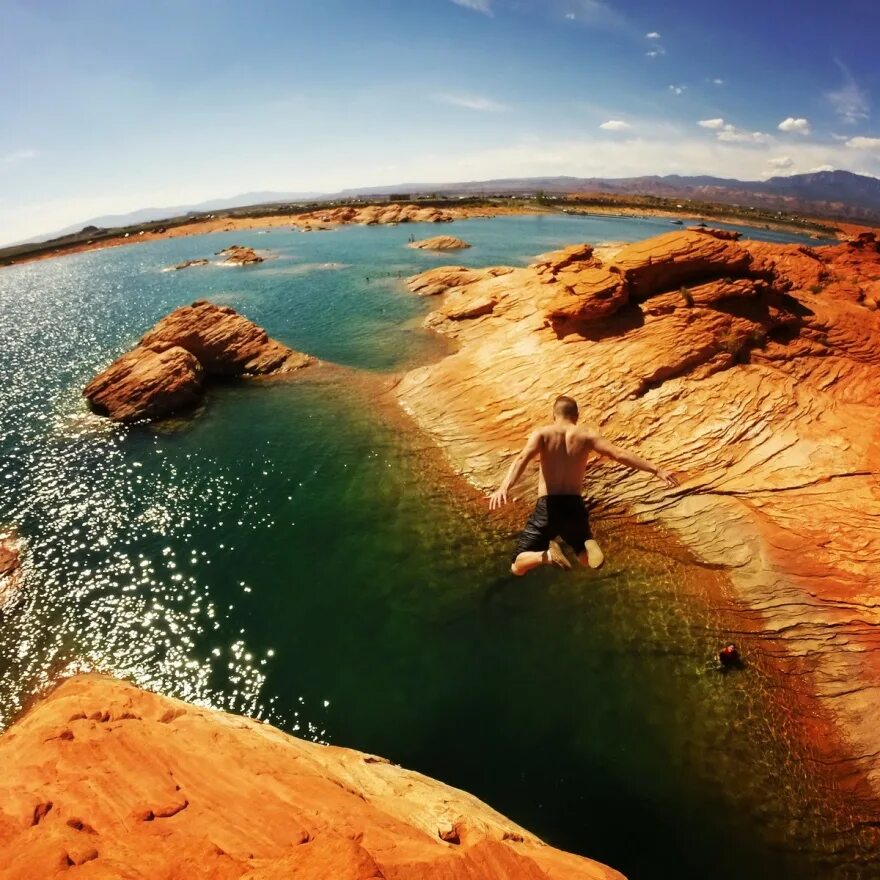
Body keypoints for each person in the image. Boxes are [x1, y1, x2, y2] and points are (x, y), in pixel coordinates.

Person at [489, 395, 679, 575]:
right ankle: (586, 544)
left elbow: (523, 458)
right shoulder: (587, 435)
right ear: (576, 416)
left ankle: (545, 556)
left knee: (517, 565)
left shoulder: (543, 433)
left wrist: (504, 487)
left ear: (553, 415)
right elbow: (618, 454)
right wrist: (656, 470)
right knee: (584, 556)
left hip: (548, 506)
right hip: (574, 505)